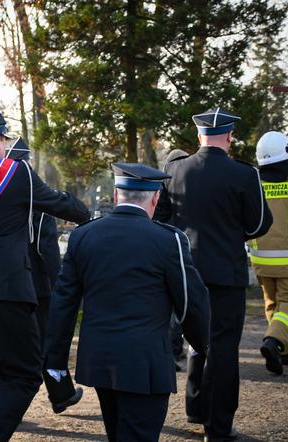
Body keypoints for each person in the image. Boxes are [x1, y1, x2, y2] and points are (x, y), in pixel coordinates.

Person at [45, 163, 210, 442]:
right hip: (145, 363)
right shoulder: (168, 240)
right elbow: (190, 303)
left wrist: (55, 365)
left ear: (116, 194)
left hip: (100, 360)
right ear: (155, 199)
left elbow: (63, 305)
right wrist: (202, 345)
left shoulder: (83, 235)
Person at [0, 109, 90, 441]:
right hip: (6, 291)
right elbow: (65, 206)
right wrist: (81, 209)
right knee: (25, 374)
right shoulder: (16, 174)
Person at [155, 107, 273, 442]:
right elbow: (258, 224)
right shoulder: (244, 174)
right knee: (222, 348)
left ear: (199, 135)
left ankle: (195, 407)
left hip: (184, 270)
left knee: (195, 340)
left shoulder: (176, 170)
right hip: (225, 272)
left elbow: (161, 219)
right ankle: (217, 427)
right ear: (229, 136)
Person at [5, 137, 84, 414]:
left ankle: (56, 393)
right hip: (38, 281)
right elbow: (44, 246)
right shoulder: (33, 194)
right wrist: (55, 280)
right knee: (48, 340)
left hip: (12, 281)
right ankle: (60, 393)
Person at [249, 131, 288, 375]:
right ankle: (273, 342)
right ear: (286, 155)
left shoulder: (254, 184)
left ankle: (285, 352)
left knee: (274, 306)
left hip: (262, 261)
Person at [163, 148, 190, 369]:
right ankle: (178, 349)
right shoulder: (192, 185)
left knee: (170, 307)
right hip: (188, 253)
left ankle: (171, 350)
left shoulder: (164, 186)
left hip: (167, 253)